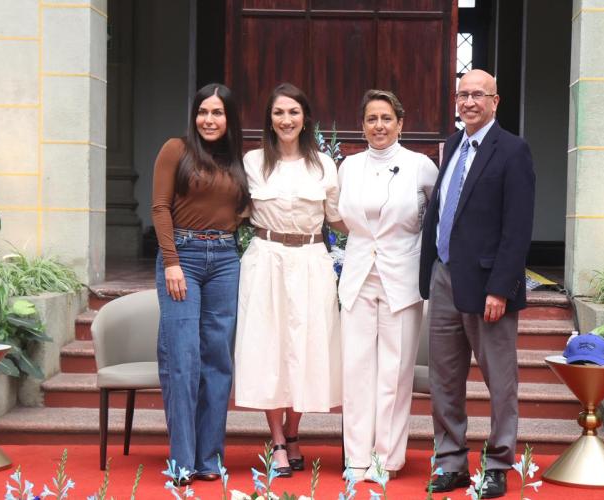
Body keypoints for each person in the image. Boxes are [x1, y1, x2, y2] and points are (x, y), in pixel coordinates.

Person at [420, 69, 535, 497]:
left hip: (488, 286)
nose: (468, 102)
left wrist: (500, 288)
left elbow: (517, 228)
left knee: (500, 382)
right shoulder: (453, 145)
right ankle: (451, 462)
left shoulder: (513, 150)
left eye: (478, 95)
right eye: (462, 94)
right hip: (445, 277)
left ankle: (498, 464)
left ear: (495, 101)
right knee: (444, 380)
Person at [234, 82, 345, 477]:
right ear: (270, 118)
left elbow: (339, 219)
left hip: (312, 260)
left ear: (305, 118)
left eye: (293, 112)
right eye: (279, 112)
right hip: (266, 259)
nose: (286, 119)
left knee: (306, 347)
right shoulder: (252, 162)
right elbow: (234, 211)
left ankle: (295, 432)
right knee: (270, 347)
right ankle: (278, 440)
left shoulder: (323, 164)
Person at [337, 89, 438, 482]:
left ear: (400, 123)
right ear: (362, 126)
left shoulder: (420, 166)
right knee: (356, 370)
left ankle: (386, 459)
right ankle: (356, 457)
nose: (378, 126)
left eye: (386, 118)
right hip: (358, 276)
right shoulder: (349, 166)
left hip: (402, 277)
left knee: (395, 373)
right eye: (371, 119)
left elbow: (436, 219)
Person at [151, 84, 249, 484]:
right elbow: (160, 207)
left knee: (218, 360)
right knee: (183, 358)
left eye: (218, 113)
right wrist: (172, 262)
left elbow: (245, 209)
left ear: (229, 119)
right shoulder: (176, 149)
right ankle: (182, 462)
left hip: (225, 259)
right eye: (203, 112)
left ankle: (209, 459)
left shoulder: (237, 160)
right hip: (183, 258)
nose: (209, 120)